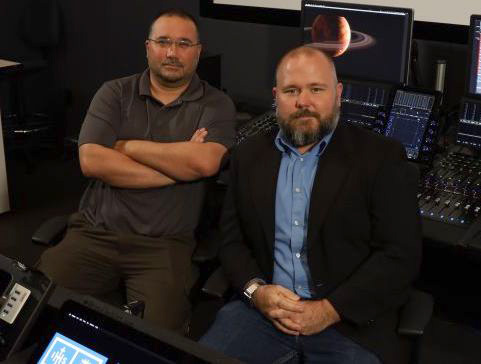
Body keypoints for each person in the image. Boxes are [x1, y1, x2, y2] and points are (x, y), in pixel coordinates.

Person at [199, 46, 421, 364]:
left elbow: (400, 255)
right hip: (261, 317)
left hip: (347, 324)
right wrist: (255, 292)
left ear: (338, 93)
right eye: (292, 91)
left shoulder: (380, 157)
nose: (303, 101)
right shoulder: (248, 156)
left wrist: (329, 310)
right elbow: (232, 241)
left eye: (316, 89)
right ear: (276, 96)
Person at [38, 8, 236, 332]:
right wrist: (177, 165)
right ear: (148, 47)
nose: (172, 52)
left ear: (198, 52)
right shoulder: (114, 92)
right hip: (93, 235)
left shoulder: (215, 104)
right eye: (164, 42)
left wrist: (125, 145)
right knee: (28, 308)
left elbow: (204, 162)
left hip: (163, 247)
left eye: (184, 44)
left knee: (154, 342)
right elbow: (91, 161)